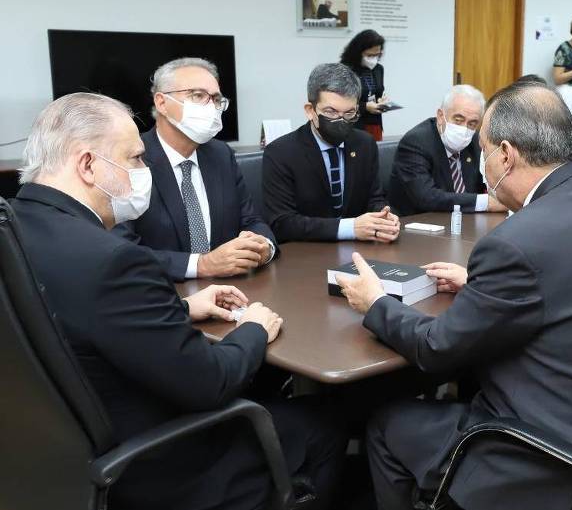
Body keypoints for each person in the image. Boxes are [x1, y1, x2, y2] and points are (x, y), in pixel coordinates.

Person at [335, 84, 572, 510]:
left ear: (505, 154)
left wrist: (376, 303)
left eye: (481, 148)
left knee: (388, 423)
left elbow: (436, 348)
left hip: (545, 455)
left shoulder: (517, 242)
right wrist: (484, 287)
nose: (480, 161)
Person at [12, 92, 345, 510]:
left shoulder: (20, 223)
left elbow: (73, 316)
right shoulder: (113, 260)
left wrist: (183, 307)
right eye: (134, 158)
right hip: (161, 462)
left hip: (56, 454)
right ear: (87, 164)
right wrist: (254, 329)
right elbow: (210, 383)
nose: (143, 169)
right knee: (323, 424)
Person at [113, 58, 276, 282]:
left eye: (216, 99)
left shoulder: (221, 154)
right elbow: (122, 250)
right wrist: (201, 265)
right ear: (161, 102)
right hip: (160, 293)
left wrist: (264, 247)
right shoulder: (128, 160)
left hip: (232, 289)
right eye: (197, 96)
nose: (210, 106)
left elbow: (251, 221)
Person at [262, 63, 399, 243]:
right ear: (310, 111)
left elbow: (374, 197)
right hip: (304, 255)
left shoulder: (364, 144)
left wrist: (383, 217)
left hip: (359, 251)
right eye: (331, 112)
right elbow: (282, 223)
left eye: (349, 113)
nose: (341, 121)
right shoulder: (281, 152)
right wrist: (350, 228)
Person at [388, 85, 507, 216]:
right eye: (458, 120)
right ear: (440, 116)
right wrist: (485, 202)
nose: (464, 129)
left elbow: (487, 182)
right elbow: (426, 197)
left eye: (472, 123)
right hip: (418, 222)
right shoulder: (416, 142)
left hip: (463, 221)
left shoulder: (475, 141)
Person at [341, 29, 387, 140]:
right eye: (370, 55)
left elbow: (378, 93)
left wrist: (382, 101)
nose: (374, 59)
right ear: (358, 52)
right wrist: (365, 107)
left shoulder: (378, 69)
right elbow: (341, 103)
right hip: (353, 126)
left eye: (377, 55)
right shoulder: (346, 70)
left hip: (375, 124)